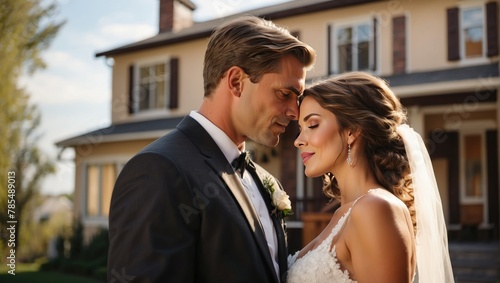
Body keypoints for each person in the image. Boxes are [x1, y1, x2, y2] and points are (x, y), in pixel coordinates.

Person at [107, 15, 316, 283]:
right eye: (284, 94)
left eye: (297, 98)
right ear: (236, 82)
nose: (295, 112)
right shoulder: (158, 170)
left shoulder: (265, 180)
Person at [288, 72, 454, 282]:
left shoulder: (375, 208)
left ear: (352, 131)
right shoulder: (345, 212)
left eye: (312, 125)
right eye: (300, 129)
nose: (298, 141)